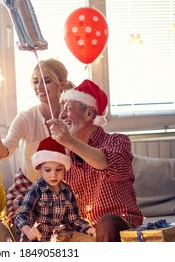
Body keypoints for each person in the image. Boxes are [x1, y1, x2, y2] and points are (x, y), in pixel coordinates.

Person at [46, 79, 143, 242]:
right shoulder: (62, 157)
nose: (62, 115)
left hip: (119, 228)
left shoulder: (117, 141)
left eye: (68, 109)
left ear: (89, 113)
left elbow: (108, 164)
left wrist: (69, 141)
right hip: (84, 232)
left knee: (107, 222)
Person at [0, 58, 75, 218]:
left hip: (64, 190)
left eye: (46, 81)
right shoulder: (25, 117)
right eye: (35, 81)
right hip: (28, 188)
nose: (39, 87)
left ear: (62, 83)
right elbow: (5, 152)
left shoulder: (72, 117)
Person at [15, 136, 96, 242]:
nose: (53, 175)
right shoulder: (36, 190)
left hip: (65, 236)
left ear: (64, 169)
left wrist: (90, 229)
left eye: (58, 169)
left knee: (90, 241)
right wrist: (28, 230)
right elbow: (20, 215)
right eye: (47, 170)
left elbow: (74, 219)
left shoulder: (67, 191)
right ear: (40, 168)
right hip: (42, 238)